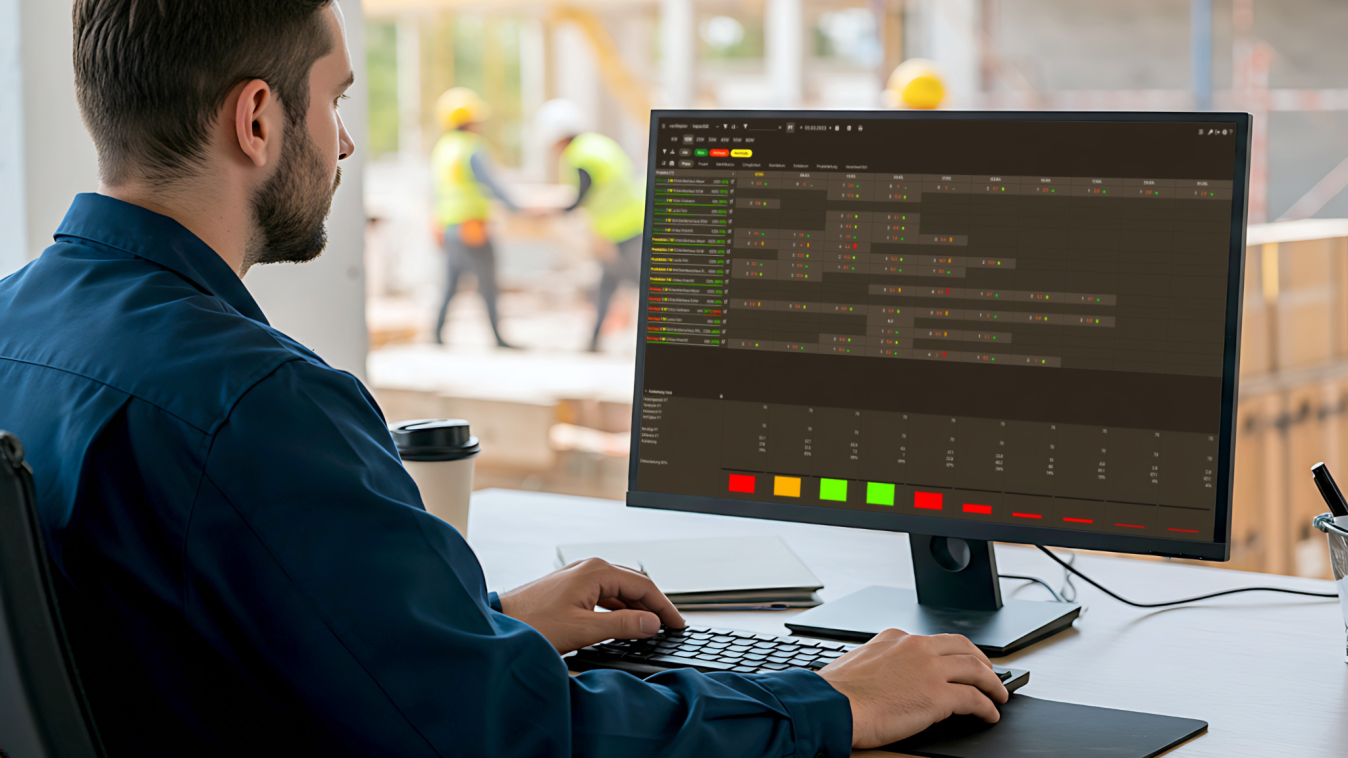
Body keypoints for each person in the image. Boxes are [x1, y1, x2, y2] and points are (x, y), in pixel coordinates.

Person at [0, 1, 1007, 755]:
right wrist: (834, 700)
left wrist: (478, 623)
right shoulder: (259, 404)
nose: (344, 140)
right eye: (335, 99)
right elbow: (514, 738)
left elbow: (171, 636)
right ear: (258, 119)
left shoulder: (12, 321)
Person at [535, 99, 647, 352]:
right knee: (609, 282)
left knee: (640, 283)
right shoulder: (596, 144)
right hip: (625, 224)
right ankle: (594, 340)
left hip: (627, 227)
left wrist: (550, 210)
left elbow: (580, 197)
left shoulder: (580, 155)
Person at [430, 87, 520, 348]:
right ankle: (498, 338)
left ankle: (436, 335)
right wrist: (518, 207)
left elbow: (436, 191)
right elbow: (491, 183)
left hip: (449, 227)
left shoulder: (443, 149)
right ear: (468, 120)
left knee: (450, 285)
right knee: (488, 283)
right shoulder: (471, 148)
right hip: (472, 226)